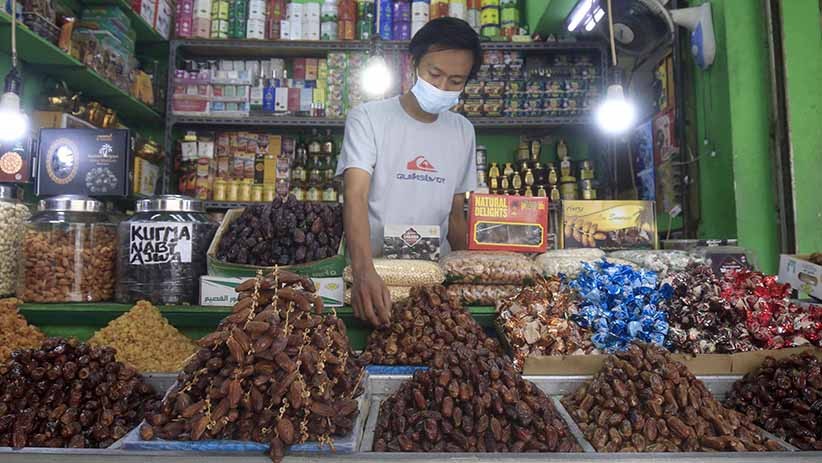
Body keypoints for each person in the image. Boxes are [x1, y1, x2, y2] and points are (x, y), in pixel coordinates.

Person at [335, 17, 481, 327]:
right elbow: (355, 195)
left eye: (456, 81)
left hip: (432, 285)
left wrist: (470, 276)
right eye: (434, 74)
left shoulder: (463, 130)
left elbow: (456, 216)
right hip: (373, 279)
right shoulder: (368, 118)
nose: (442, 87)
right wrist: (363, 272)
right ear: (413, 65)